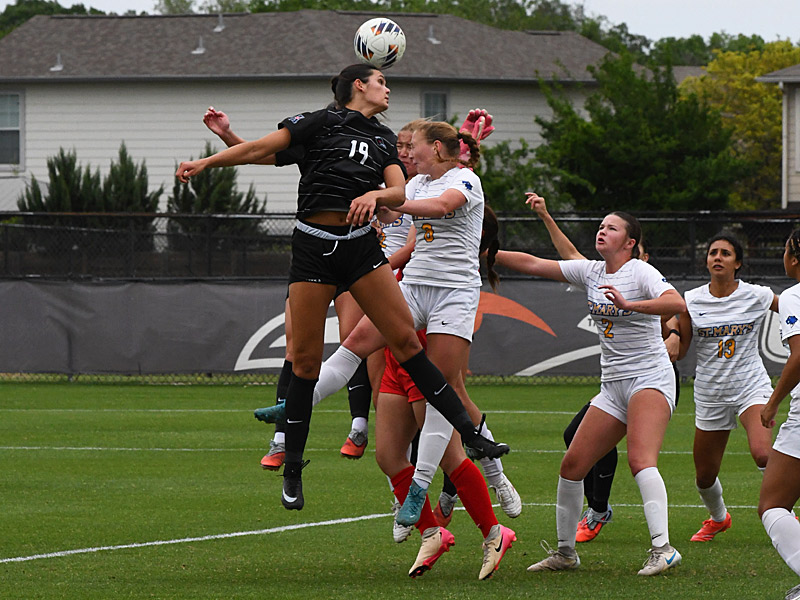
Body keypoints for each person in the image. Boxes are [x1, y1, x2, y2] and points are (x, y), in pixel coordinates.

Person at [176, 64, 506, 511]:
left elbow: (397, 191)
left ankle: (469, 437)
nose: (387, 88)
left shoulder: (384, 139)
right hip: (314, 248)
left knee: (406, 344)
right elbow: (263, 151)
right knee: (306, 360)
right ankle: (292, 467)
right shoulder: (319, 122)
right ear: (359, 85)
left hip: (362, 250)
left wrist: (378, 196)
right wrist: (207, 160)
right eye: (380, 81)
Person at [494, 204, 686, 576]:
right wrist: (487, 251)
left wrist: (631, 305)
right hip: (613, 385)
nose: (602, 230)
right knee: (572, 466)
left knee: (640, 460)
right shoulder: (592, 271)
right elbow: (534, 263)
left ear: (629, 242)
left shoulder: (640, 271)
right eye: (601, 225)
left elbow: (676, 302)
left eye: (612, 228)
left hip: (650, 377)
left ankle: (663, 549)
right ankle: (566, 553)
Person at [201, 106, 373, 467]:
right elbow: (258, 152)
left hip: (352, 254)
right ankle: (280, 440)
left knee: (352, 342)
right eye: (377, 82)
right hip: (314, 257)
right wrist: (227, 135)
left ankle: (359, 425)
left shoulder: (373, 142)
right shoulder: (317, 134)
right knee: (295, 350)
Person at [374, 214, 515, 581]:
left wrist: (368, 261)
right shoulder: (402, 223)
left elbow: (406, 243)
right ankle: (432, 533)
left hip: (421, 357)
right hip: (395, 359)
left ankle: (494, 533)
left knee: (450, 456)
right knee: (388, 455)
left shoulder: (432, 236)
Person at [677, 233, 777, 543]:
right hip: (710, 393)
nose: (718, 257)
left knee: (763, 454)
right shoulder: (690, 300)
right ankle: (719, 518)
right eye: (713, 253)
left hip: (751, 387)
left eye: (725, 253)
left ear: (738, 263)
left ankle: (783, 511)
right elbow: (681, 348)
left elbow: (792, 309)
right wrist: (669, 336)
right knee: (705, 476)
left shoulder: (757, 295)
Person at [758, 229, 800, 600]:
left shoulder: (793, 296)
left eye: (784, 249)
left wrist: (772, 402)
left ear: (794, 257)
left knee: (772, 506)